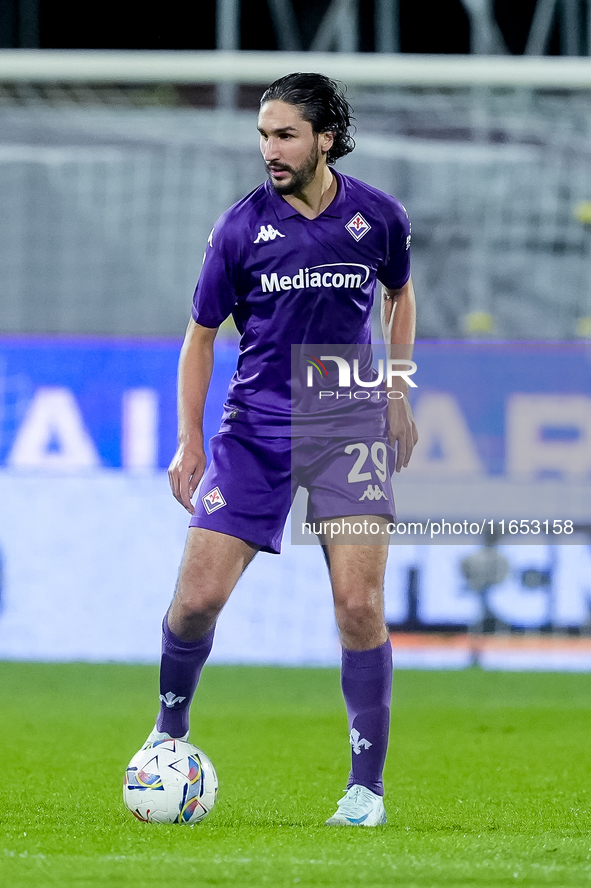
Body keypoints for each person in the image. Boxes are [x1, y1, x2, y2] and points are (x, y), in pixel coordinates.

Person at [142, 72, 418, 827]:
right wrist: (188, 442)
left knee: (358, 606)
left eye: (285, 134)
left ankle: (365, 790)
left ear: (325, 137)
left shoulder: (377, 217)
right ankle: (168, 734)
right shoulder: (238, 229)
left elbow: (400, 294)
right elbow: (200, 339)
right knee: (196, 601)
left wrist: (395, 392)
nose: (270, 148)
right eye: (264, 134)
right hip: (256, 428)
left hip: (346, 424)